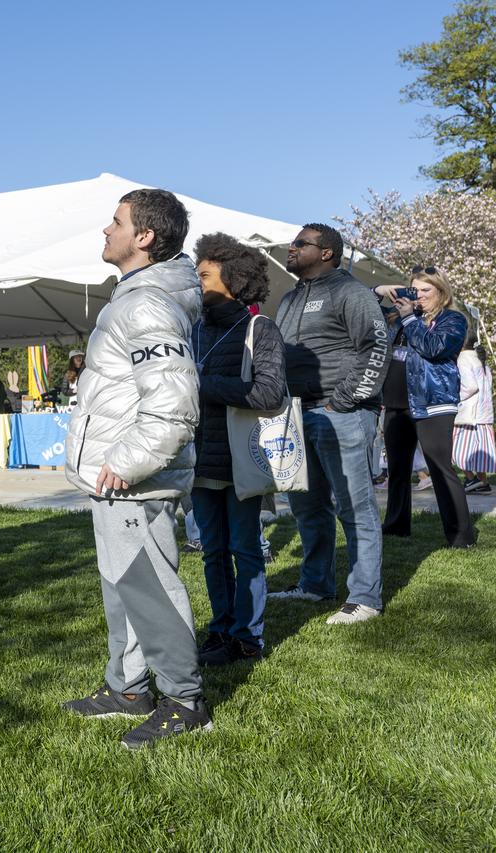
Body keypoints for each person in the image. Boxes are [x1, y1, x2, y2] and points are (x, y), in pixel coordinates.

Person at [61, 189, 210, 747]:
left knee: (147, 586)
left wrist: (126, 462)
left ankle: (184, 698)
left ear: (144, 237)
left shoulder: (146, 304)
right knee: (121, 585)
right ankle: (128, 688)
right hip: (118, 478)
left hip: (134, 479)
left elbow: (173, 402)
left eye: (116, 221)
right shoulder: (134, 297)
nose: (106, 229)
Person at [269, 224, 388, 624]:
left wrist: (345, 400)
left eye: (301, 243)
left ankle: (365, 597)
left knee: (355, 509)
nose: (292, 248)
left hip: (342, 415)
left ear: (326, 253)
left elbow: (376, 345)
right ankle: (316, 583)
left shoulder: (350, 292)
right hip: (297, 415)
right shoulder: (288, 299)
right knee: (308, 508)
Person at [188, 234, 287, 666]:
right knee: (212, 551)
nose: (196, 281)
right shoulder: (192, 330)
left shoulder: (257, 328)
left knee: (245, 549)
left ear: (234, 279)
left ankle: (248, 636)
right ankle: (220, 629)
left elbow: (269, 394)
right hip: (199, 461)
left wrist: (199, 385)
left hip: (241, 459)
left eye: (204, 274)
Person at [374, 270, 477, 549]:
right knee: (397, 469)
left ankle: (460, 536)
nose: (417, 296)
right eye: (413, 290)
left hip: (433, 403)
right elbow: (366, 320)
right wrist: (379, 290)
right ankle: (396, 526)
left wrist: (409, 317)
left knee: (440, 467)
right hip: (395, 402)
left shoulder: (453, 319)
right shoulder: (399, 317)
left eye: (425, 292)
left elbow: (434, 348)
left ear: (441, 293)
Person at [456, 330, 494, 493]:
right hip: (484, 414)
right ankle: (482, 483)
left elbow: (470, 386)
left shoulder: (463, 359)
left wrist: (455, 397)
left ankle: (471, 480)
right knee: (480, 453)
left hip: (469, 413)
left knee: (458, 450)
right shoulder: (481, 360)